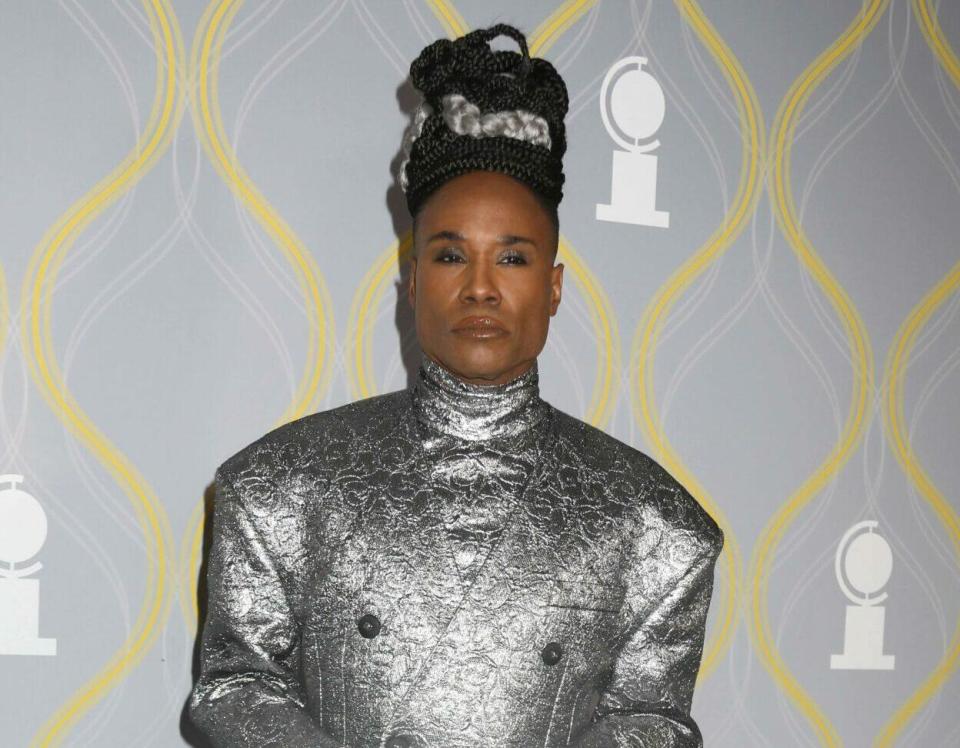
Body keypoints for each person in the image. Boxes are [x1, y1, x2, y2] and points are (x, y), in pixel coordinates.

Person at [188, 23, 723, 748]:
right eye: (449, 255)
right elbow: (233, 687)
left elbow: (652, 722)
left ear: (555, 286)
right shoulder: (281, 487)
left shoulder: (655, 527)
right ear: (412, 283)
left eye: (512, 258)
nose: (480, 288)